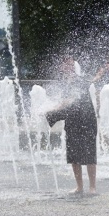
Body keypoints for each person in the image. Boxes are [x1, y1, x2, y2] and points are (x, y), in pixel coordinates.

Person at [46, 56, 98, 195]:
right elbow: (63, 102)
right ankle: (79, 186)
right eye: (65, 65)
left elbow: (70, 100)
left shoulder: (79, 81)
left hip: (87, 121)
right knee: (74, 154)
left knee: (89, 154)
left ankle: (92, 187)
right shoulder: (65, 82)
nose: (67, 67)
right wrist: (48, 110)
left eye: (70, 65)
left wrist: (52, 111)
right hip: (72, 121)